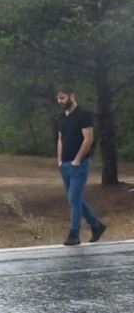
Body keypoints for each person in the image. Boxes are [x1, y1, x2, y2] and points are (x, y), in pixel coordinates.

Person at [55, 84, 106, 246]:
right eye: (58, 98)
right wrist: (60, 161)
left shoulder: (84, 116)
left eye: (62, 97)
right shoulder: (61, 118)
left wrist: (77, 160)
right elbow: (60, 139)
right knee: (75, 199)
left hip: (80, 165)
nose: (59, 101)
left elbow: (88, 139)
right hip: (65, 165)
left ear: (71, 95)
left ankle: (74, 234)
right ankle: (96, 226)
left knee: (73, 198)